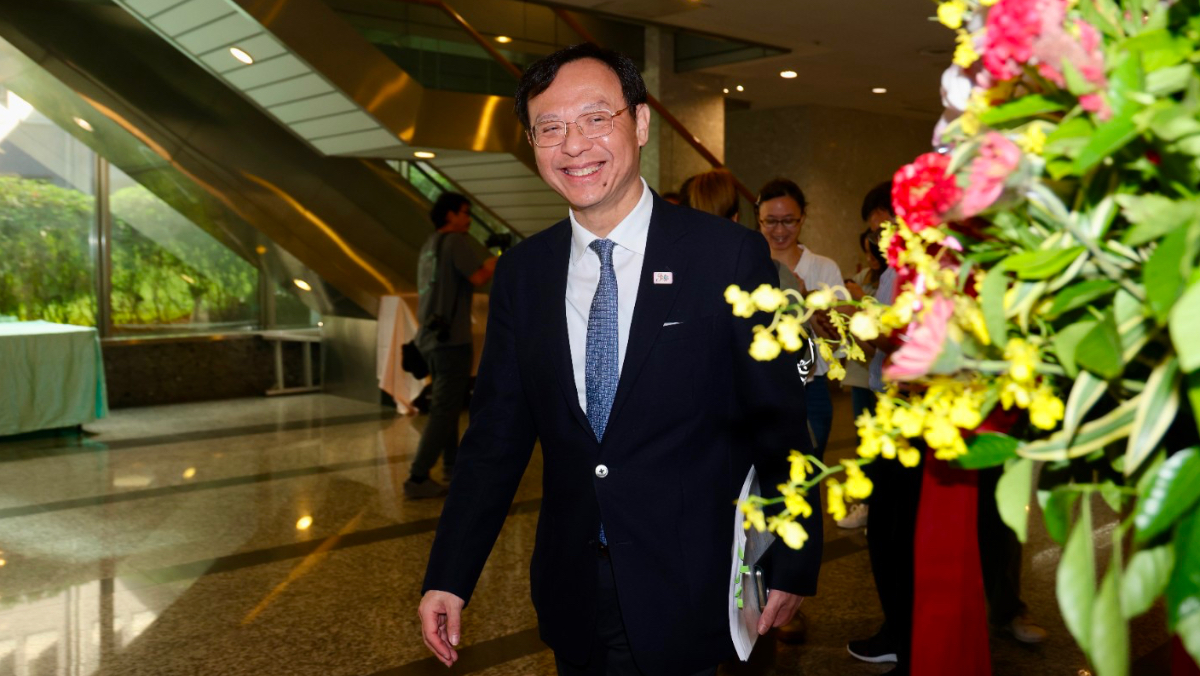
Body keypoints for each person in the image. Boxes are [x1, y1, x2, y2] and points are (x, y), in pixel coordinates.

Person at [417, 43, 821, 676]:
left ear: (640, 123)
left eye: (595, 118)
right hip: (575, 588)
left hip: (689, 581)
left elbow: (779, 423)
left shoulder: (726, 257)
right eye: (550, 127)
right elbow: (495, 440)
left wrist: (793, 561)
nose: (574, 144)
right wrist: (450, 575)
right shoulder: (524, 273)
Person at [403, 192, 497, 499]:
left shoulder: (430, 245)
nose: (468, 219)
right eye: (465, 212)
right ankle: (417, 477)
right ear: (450, 215)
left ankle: (452, 465)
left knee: (448, 405)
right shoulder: (456, 242)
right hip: (452, 340)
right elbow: (478, 276)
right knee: (444, 410)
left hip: (429, 338)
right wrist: (497, 261)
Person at [755, 179, 843, 461]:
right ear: (758, 218)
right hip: (757, 386)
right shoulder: (749, 263)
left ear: (803, 217)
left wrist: (806, 302)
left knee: (809, 472)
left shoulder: (824, 268)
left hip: (810, 389)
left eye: (789, 221)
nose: (780, 230)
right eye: (771, 221)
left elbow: (837, 342)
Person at [836, 182, 892, 530]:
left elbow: (897, 339)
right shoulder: (891, 275)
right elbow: (877, 346)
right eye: (874, 234)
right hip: (877, 383)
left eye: (883, 231)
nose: (878, 243)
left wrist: (859, 309)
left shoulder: (913, 273)